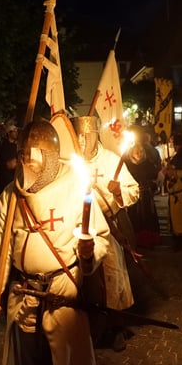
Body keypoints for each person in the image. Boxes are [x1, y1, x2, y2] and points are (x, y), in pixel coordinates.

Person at [0, 120, 109, 365]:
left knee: (66, 362)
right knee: (26, 363)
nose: (29, 161)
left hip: (62, 291)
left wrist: (88, 253)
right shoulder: (10, 195)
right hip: (24, 294)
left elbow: (100, 236)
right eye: (24, 155)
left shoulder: (75, 186)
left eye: (35, 155)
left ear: (50, 157)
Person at [71, 116, 140, 350]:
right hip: (81, 228)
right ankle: (85, 327)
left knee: (112, 276)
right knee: (81, 279)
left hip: (108, 226)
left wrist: (119, 192)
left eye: (86, 136)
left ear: (95, 136)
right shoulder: (71, 162)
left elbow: (134, 191)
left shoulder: (110, 160)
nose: (82, 141)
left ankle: (115, 327)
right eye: (78, 136)